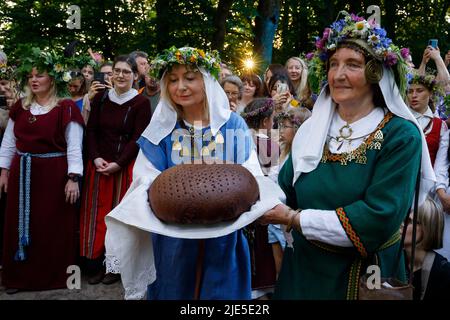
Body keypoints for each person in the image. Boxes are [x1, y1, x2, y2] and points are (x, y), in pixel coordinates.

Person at [259, 12, 435, 300]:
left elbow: (378, 218)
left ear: (376, 72)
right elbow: (284, 186)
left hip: (363, 277)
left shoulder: (399, 135)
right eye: (333, 64)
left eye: (352, 64)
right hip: (303, 268)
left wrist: (295, 219)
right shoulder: (313, 129)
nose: (338, 74)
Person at [103, 46, 281, 300]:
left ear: (206, 81)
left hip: (224, 232)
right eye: (173, 80)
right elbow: (146, 176)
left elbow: (249, 172)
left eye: (189, 77)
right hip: (173, 236)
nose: (180, 87)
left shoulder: (232, 124)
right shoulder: (161, 128)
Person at [0, 47, 84, 293]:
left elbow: (74, 146)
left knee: (51, 225)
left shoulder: (66, 107)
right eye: (31, 76)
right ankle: (18, 279)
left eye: (40, 75)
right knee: (18, 224)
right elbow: (9, 142)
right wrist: (4, 171)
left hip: (54, 176)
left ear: (53, 79)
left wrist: (73, 178)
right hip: (22, 173)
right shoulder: (21, 107)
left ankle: (54, 278)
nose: (33, 80)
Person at [79, 55, 151, 285]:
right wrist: (96, 157)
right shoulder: (101, 98)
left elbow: (139, 137)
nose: (120, 75)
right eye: (116, 71)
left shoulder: (140, 103)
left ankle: (115, 266)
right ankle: (94, 262)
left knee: (120, 216)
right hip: (99, 166)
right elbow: (91, 132)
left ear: (135, 76)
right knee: (96, 215)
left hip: (125, 167)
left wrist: (119, 162)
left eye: (126, 72)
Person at [406, 74, 450, 213]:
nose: (414, 95)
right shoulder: (400, 121)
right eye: (410, 91)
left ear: (430, 94)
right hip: (402, 186)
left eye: (419, 91)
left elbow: (440, 162)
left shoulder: (440, 125)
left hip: (427, 191)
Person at [403, 197, 450, 300]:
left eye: (410, 221)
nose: (402, 224)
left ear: (427, 228)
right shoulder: (396, 261)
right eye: (403, 219)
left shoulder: (443, 272)